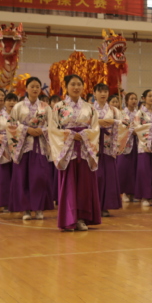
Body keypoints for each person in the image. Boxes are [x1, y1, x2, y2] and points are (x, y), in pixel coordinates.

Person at [49, 75, 101, 231]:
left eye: (79, 84)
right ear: (66, 86)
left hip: (84, 148)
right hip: (67, 149)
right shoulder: (58, 107)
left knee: (85, 185)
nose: (76, 87)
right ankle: (69, 219)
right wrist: (71, 135)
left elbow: (95, 128)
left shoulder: (90, 108)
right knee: (69, 183)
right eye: (73, 84)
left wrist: (84, 135)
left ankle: (81, 218)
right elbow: (53, 129)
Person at [7, 77, 54, 221]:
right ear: (26, 88)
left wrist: (42, 130)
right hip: (23, 147)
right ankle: (26, 209)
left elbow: (53, 126)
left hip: (40, 146)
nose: (35, 89)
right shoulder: (18, 107)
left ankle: (39, 208)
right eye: (32, 86)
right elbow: (11, 125)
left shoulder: (46, 107)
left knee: (40, 177)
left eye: (37, 87)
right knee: (23, 178)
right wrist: (26, 129)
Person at [93, 83, 130, 217]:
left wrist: (114, 122)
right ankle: (93, 205)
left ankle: (105, 206)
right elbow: (83, 123)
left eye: (105, 91)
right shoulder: (89, 109)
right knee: (95, 176)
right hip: (93, 147)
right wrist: (98, 122)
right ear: (94, 93)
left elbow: (126, 123)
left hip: (109, 146)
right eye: (100, 91)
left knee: (108, 177)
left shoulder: (114, 111)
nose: (103, 94)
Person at [0, 92, 18, 211]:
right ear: (5, 102)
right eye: (9, 100)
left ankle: (17, 202)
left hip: (17, 148)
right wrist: (4, 138)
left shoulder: (20, 117)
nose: (12, 103)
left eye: (14, 100)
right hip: (4, 148)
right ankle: (5, 202)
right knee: (4, 177)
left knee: (18, 176)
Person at [117, 92, 139, 202]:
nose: (134, 101)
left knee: (135, 168)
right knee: (124, 168)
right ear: (126, 101)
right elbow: (120, 127)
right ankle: (124, 192)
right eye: (131, 99)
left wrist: (138, 130)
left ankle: (133, 193)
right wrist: (131, 131)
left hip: (137, 142)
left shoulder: (139, 113)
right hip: (125, 143)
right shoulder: (122, 113)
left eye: (135, 98)